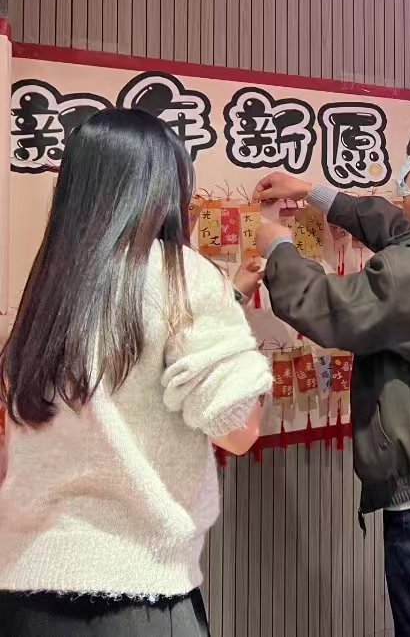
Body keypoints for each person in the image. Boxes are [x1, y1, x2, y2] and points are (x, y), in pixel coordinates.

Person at [0, 109, 272, 636]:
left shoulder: (47, 290)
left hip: (24, 593)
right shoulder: (180, 273)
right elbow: (239, 429)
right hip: (137, 595)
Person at [246, 117, 410, 637]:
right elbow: (398, 229)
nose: (400, 181)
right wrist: (313, 192)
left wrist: (278, 248)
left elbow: (333, 308)